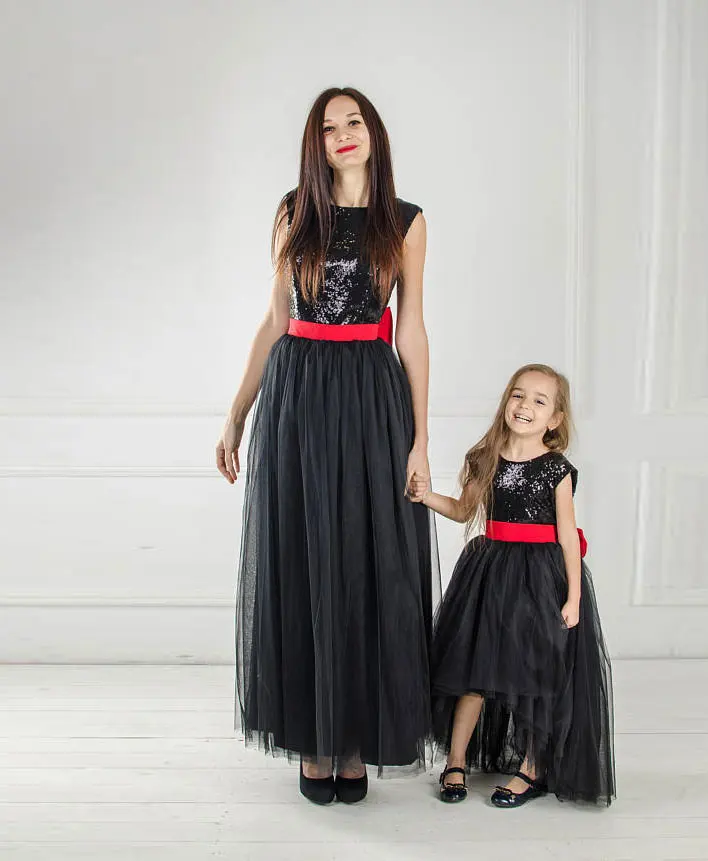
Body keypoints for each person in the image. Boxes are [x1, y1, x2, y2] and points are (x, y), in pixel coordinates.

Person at [217, 87, 439, 806]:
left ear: (373, 133)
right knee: (305, 555)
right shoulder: (293, 212)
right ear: (314, 144)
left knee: (366, 559)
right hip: (299, 393)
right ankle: (314, 737)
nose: (343, 134)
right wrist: (237, 414)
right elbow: (275, 319)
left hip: (371, 395)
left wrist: (421, 439)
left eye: (354, 122)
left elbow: (411, 329)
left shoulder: (404, 221)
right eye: (328, 127)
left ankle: (353, 738)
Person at [408, 364, 615, 807]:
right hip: (489, 571)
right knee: (473, 670)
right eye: (518, 395)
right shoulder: (484, 457)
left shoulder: (556, 469)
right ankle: (456, 760)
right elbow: (464, 511)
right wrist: (426, 497)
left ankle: (532, 767)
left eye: (540, 401)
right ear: (507, 401)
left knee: (532, 672)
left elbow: (567, 536)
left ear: (555, 419)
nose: (525, 406)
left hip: (539, 577)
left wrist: (573, 597)